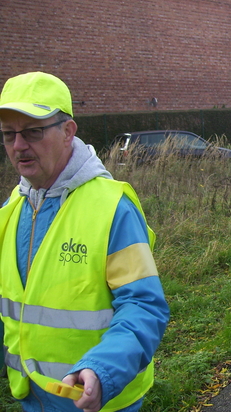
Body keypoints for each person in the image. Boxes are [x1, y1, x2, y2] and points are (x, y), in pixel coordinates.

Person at [0, 71, 170, 412]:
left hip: (96, 401)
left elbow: (143, 305)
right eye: (8, 134)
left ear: (68, 132)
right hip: (31, 398)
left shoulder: (112, 208)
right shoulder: (11, 208)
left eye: (33, 131)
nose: (19, 145)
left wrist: (102, 369)